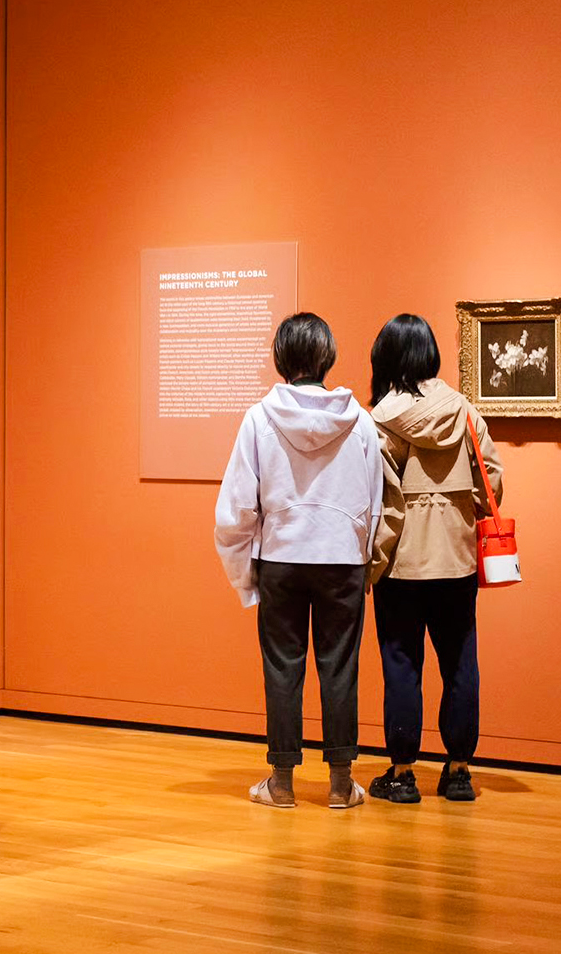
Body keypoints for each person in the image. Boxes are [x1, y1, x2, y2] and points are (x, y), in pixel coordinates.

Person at [215, 313, 383, 809]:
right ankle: (338, 783)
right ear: (326, 357)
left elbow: (237, 508)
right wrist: (362, 556)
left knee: (282, 666)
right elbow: (374, 503)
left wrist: (245, 577)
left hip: (282, 558)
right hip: (342, 560)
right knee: (340, 666)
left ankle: (283, 782)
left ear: (281, 358)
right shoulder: (361, 422)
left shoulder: (259, 418)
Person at [365, 314, 504, 804]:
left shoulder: (383, 420)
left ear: (387, 357)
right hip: (458, 560)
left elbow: (379, 498)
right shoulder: (466, 412)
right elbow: (493, 484)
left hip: (401, 565)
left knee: (401, 662)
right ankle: (460, 770)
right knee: (460, 661)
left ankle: (402, 774)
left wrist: (372, 562)